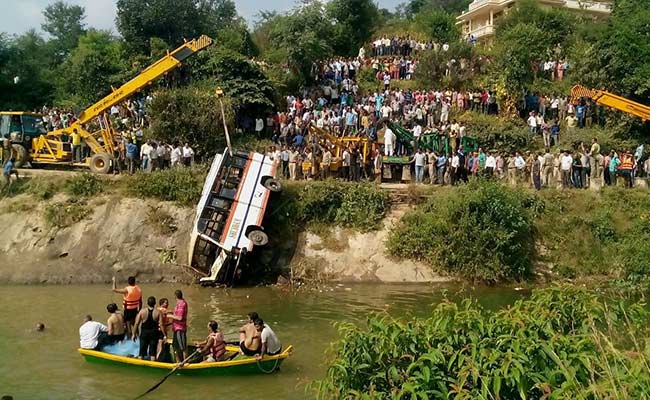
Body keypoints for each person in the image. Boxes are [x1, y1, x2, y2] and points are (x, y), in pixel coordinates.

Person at [132, 296, 163, 361]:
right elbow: (161, 324)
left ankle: (140, 365)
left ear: (147, 303)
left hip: (144, 333)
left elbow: (136, 324)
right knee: (153, 352)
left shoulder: (142, 311)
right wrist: (164, 334)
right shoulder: (158, 312)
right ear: (155, 303)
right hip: (154, 333)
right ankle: (153, 365)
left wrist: (134, 334)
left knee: (141, 352)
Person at [169, 289, 188, 362]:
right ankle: (178, 360)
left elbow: (180, 317)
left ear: (175, 296)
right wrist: (171, 312)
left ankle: (185, 361)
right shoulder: (181, 303)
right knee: (175, 345)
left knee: (182, 346)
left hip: (180, 328)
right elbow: (178, 313)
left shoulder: (181, 304)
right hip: (176, 328)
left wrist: (169, 316)